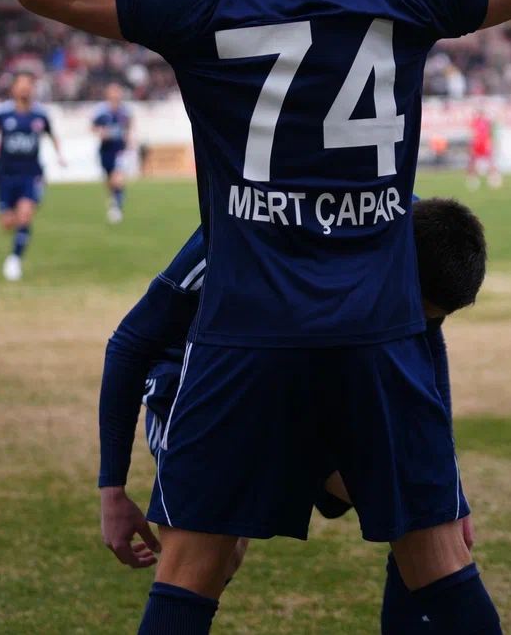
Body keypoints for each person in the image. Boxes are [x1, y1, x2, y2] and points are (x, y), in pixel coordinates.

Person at [11, 0, 511, 634]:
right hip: (378, 331)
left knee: (191, 569)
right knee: (438, 564)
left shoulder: (204, 6)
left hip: (246, 335)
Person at [98, 197, 487, 631]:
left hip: (312, 383)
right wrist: (112, 489)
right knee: (213, 555)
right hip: (203, 385)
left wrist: (444, 488)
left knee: (417, 512)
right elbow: (130, 343)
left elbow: (427, 344)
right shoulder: (248, 233)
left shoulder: (402, 219)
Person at [0, 72, 66, 282]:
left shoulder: (40, 115)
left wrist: (59, 155)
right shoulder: (3, 114)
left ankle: (14, 260)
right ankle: (18, 238)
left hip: (31, 174)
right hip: (5, 176)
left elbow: (51, 133)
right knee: (8, 223)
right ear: (14, 89)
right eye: (22, 85)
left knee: (25, 215)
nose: (25, 89)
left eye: (29, 85)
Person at [92, 83, 133, 223]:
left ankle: (117, 208)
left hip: (119, 150)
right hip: (106, 150)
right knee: (110, 180)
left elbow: (129, 128)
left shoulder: (125, 112)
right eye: (113, 92)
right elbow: (93, 127)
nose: (115, 95)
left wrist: (129, 144)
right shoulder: (101, 111)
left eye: (117, 92)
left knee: (118, 178)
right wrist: (100, 133)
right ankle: (114, 198)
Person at [465, 108, 501, 190]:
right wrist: (472, 145)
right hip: (477, 144)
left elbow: (491, 132)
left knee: (490, 162)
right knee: (473, 163)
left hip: (485, 144)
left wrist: (491, 143)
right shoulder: (474, 122)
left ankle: (493, 179)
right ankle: (473, 179)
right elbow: (472, 134)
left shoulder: (487, 122)